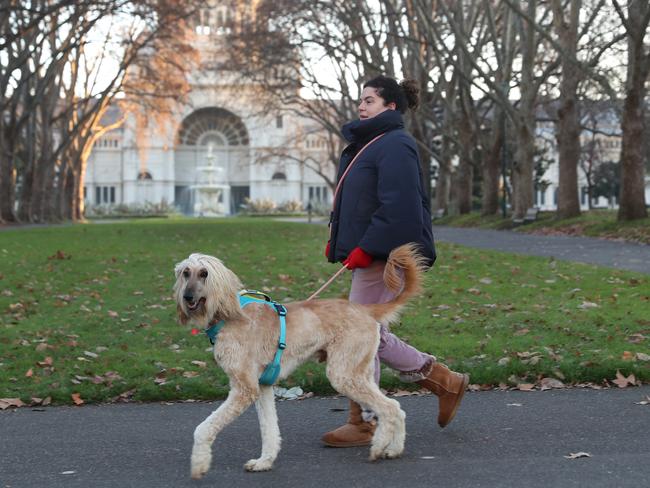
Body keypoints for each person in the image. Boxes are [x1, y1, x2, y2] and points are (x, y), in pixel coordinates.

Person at [322, 75, 469, 447]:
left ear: (390, 107)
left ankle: (366, 421)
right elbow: (361, 204)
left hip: (388, 258)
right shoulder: (371, 144)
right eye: (361, 99)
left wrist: (366, 248)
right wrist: (340, 243)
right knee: (369, 333)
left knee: (360, 334)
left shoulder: (395, 144)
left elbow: (399, 210)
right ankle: (444, 382)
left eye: (369, 100)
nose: (361, 106)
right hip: (373, 254)